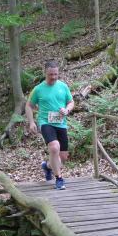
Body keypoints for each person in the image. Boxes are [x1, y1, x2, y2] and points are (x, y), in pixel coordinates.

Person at [25, 60, 74, 190]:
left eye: (55, 74)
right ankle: (59, 179)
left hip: (61, 124)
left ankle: (47, 166)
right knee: (54, 147)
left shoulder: (63, 86)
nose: (53, 77)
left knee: (63, 157)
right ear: (45, 73)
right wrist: (31, 122)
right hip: (46, 122)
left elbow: (71, 102)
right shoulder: (38, 89)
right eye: (50, 74)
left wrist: (67, 110)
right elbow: (29, 105)